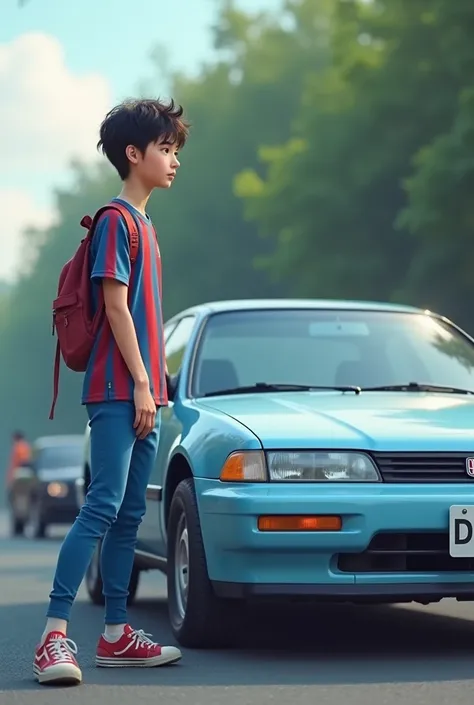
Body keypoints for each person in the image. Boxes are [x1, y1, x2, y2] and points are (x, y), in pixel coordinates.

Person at [33, 98, 190, 686]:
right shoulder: (116, 221)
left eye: (175, 150)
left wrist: (157, 386)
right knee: (101, 506)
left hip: (146, 394)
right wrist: (144, 384)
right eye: (166, 149)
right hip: (118, 392)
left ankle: (117, 634)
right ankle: (53, 637)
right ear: (134, 153)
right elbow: (115, 307)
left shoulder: (146, 226)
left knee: (127, 514)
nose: (174, 160)